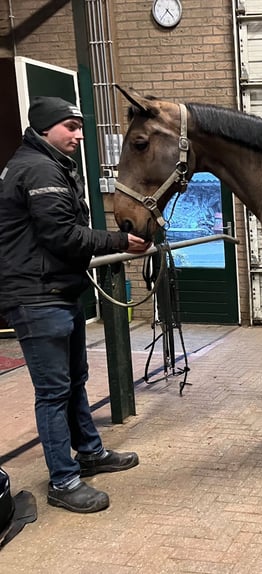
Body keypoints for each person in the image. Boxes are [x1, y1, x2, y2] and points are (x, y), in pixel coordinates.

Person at [0, 96, 151, 514]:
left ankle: (89, 453)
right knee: (53, 392)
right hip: (36, 297)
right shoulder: (37, 169)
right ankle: (63, 481)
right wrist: (120, 241)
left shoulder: (50, 165)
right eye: (70, 126)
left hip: (56, 292)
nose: (79, 134)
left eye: (80, 126)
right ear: (47, 127)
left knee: (75, 380)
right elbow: (62, 235)